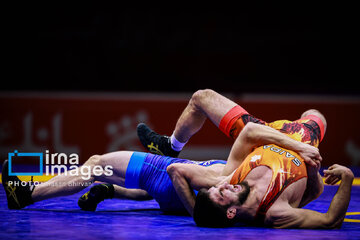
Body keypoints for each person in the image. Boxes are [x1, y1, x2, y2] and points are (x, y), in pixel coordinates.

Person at [2, 115, 319, 214]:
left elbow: (175, 172)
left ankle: (27, 195)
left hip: (163, 172)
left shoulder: (232, 180)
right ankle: (111, 190)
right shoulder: (246, 190)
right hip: (169, 193)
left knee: (98, 162)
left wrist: (196, 212)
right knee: (145, 190)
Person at [135, 89, 354, 228]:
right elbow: (329, 219)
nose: (226, 187)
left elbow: (175, 170)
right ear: (231, 212)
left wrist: (200, 216)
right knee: (316, 114)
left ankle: (169, 146)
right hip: (303, 137)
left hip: (263, 133)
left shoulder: (227, 179)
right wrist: (346, 177)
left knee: (201, 98)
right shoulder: (276, 213)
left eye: (219, 189)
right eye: (222, 194)